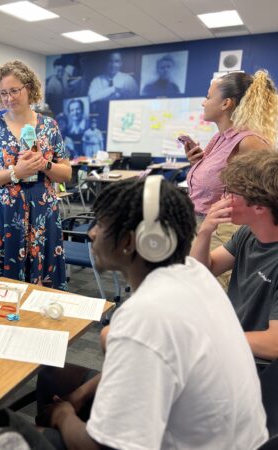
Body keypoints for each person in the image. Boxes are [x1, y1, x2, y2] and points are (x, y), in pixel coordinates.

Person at [38, 176, 267, 450]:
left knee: (33, 436)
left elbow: (99, 447)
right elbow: (153, 354)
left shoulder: (146, 315)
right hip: (234, 439)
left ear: (134, 241)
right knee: (54, 376)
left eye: (100, 224)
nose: (92, 233)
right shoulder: (194, 273)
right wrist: (81, 395)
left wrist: (63, 416)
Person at [0, 60, 71, 289]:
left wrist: (45, 165)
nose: (9, 98)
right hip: (4, 217)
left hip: (42, 216)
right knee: (2, 289)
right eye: (3, 93)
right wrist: (15, 172)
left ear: (29, 88)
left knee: (42, 289)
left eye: (14, 91)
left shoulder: (50, 126)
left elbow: (66, 174)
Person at [183, 70, 278, 288]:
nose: (203, 103)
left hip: (223, 230)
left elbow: (269, 195)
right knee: (195, 290)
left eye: (208, 97)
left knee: (213, 295)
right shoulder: (219, 138)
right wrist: (196, 163)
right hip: (202, 225)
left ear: (226, 103)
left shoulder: (249, 142)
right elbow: (220, 179)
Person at [191, 150, 278, 361]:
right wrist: (204, 232)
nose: (223, 198)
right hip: (234, 346)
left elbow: (274, 345)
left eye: (231, 193)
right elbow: (202, 270)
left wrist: (214, 336)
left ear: (258, 206)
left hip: (257, 365)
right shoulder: (248, 233)